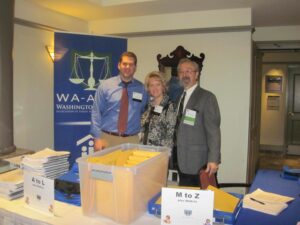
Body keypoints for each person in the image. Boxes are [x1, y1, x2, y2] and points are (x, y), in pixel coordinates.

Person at [174, 58, 221, 187]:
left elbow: (214, 132)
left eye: (188, 71)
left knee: (203, 203)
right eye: (181, 72)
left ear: (197, 74)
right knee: (186, 199)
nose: (185, 74)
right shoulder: (178, 97)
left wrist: (213, 160)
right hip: (181, 160)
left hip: (200, 163)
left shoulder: (207, 97)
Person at [90, 51, 148, 151]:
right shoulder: (105, 86)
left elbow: (143, 110)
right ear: (119, 65)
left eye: (131, 64)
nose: (127, 67)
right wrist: (97, 138)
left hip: (131, 140)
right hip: (107, 138)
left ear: (135, 67)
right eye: (124, 64)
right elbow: (96, 112)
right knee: (104, 167)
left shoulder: (142, 88)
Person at [140, 71, 176, 149]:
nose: (154, 88)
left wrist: (164, 155)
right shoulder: (148, 106)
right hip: (144, 151)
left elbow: (171, 135)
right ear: (148, 88)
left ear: (163, 86)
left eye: (158, 85)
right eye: (151, 85)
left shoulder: (170, 106)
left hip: (159, 154)